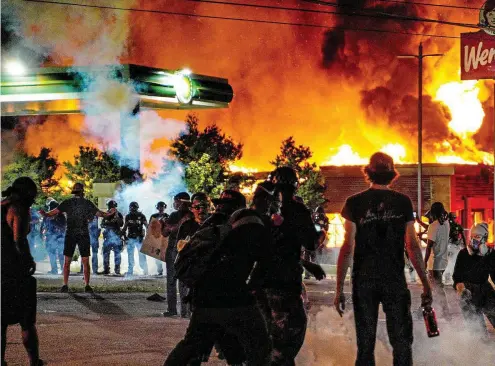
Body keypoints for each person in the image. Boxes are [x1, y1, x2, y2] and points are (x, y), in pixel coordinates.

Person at [334, 152, 432, 366]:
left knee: (365, 345)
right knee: (402, 343)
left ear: (369, 172)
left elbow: (347, 248)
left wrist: (339, 288)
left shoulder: (354, 203)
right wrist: (425, 282)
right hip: (394, 280)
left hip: (364, 282)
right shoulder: (403, 203)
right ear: (392, 174)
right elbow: (412, 246)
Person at [164, 192, 271, 366]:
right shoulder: (246, 227)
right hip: (233, 298)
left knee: (194, 345)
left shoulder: (209, 227)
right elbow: (264, 262)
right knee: (259, 345)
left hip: (203, 298)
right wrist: (253, 288)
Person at [260, 166, 319, 365]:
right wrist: (321, 235)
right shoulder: (298, 210)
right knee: (291, 333)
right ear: (295, 185)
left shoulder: (261, 211)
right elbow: (310, 243)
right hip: (285, 282)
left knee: (270, 335)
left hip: (261, 282)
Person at [39, 182, 115, 293]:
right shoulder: (80, 202)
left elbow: (53, 212)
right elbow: (100, 214)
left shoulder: (73, 202)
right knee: (81, 261)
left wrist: (45, 214)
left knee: (71, 261)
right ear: (82, 191)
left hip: (76, 234)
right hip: (79, 234)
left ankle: (71, 285)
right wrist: (108, 214)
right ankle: (80, 285)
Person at [1, 177, 44, 366]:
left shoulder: (2, 205)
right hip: (14, 272)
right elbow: (19, 239)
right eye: (32, 196)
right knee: (27, 322)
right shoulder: (18, 209)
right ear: (27, 194)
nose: (33, 200)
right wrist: (28, 260)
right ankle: (34, 361)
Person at [453, 222, 495, 339]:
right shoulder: (463, 254)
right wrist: (462, 290)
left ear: (485, 238)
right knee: (478, 334)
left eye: (478, 237)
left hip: (485, 289)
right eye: (473, 236)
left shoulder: (490, 254)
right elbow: (457, 278)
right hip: (468, 292)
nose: (474, 240)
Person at [174, 192, 211, 318]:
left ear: (209, 206)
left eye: (204, 206)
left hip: (208, 270)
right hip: (189, 269)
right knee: (187, 308)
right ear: (191, 209)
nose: (201, 210)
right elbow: (179, 246)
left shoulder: (215, 224)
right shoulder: (186, 226)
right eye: (197, 207)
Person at [162, 192, 193, 317]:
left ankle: (173, 310)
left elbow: (166, 232)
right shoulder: (193, 215)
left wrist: (167, 226)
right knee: (182, 281)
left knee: (173, 280)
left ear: (179, 201)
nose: (174, 204)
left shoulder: (176, 215)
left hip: (176, 249)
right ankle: (183, 312)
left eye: (175, 201)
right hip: (186, 250)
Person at [424, 202, 452, 319]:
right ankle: (440, 310)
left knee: (436, 288)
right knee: (436, 286)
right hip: (443, 260)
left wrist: (424, 262)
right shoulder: (446, 224)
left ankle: (445, 312)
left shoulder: (433, 226)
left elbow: (429, 246)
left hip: (435, 262)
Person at [122, 201, 148, 276]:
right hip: (130, 238)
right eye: (132, 208)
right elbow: (125, 227)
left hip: (139, 238)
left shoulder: (141, 216)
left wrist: (148, 234)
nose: (133, 209)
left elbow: (147, 226)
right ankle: (130, 271)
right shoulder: (128, 216)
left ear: (137, 208)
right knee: (130, 255)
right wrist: (123, 236)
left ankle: (145, 270)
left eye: (134, 208)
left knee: (142, 255)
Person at [41, 199, 66, 275]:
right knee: (51, 254)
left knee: (61, 254)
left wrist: (54, 221)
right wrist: (41, 234)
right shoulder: (47, 216)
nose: (50, 209)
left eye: (51, 207)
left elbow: (63, 227)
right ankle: (54, 270)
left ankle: (63, 270)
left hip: (59, 238)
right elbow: (43, 226)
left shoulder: (61, 216)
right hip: (50, 238)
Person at [101, 200, 124, 275]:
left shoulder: (119, 214)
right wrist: (109, 224)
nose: (110, 208)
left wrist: (117, 217)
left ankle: (117, 270)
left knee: (117, 253)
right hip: (107, 236)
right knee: (105, 253)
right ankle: (106, 269)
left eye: (112, 206)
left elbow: (121, 224)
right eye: (109, 206)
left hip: (116, 236)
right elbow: (102, 225)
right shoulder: (106, 214)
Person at [443, 212, 466, 285]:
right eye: (453, 218)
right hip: (451, 246)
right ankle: (448, 277)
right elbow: (463, 237)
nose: (453, 219)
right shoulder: (452, 226)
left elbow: (463, 236)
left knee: (451, 262)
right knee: (451, 262)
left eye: (453, 218)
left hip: (451, 246)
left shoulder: (447, 226)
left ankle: (448, 277)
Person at [149, 201, 169, 276]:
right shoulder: (154, 216)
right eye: (160, 206)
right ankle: (160, 270)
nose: (161, 208)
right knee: (157, 255)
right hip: (156, 237)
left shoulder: (167, 216)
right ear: (157, 207)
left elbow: (170, 227)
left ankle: (168, 271)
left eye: (162, 206)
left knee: (166, 254)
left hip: (165, 237)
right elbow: (150, 227)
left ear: (164, 207)